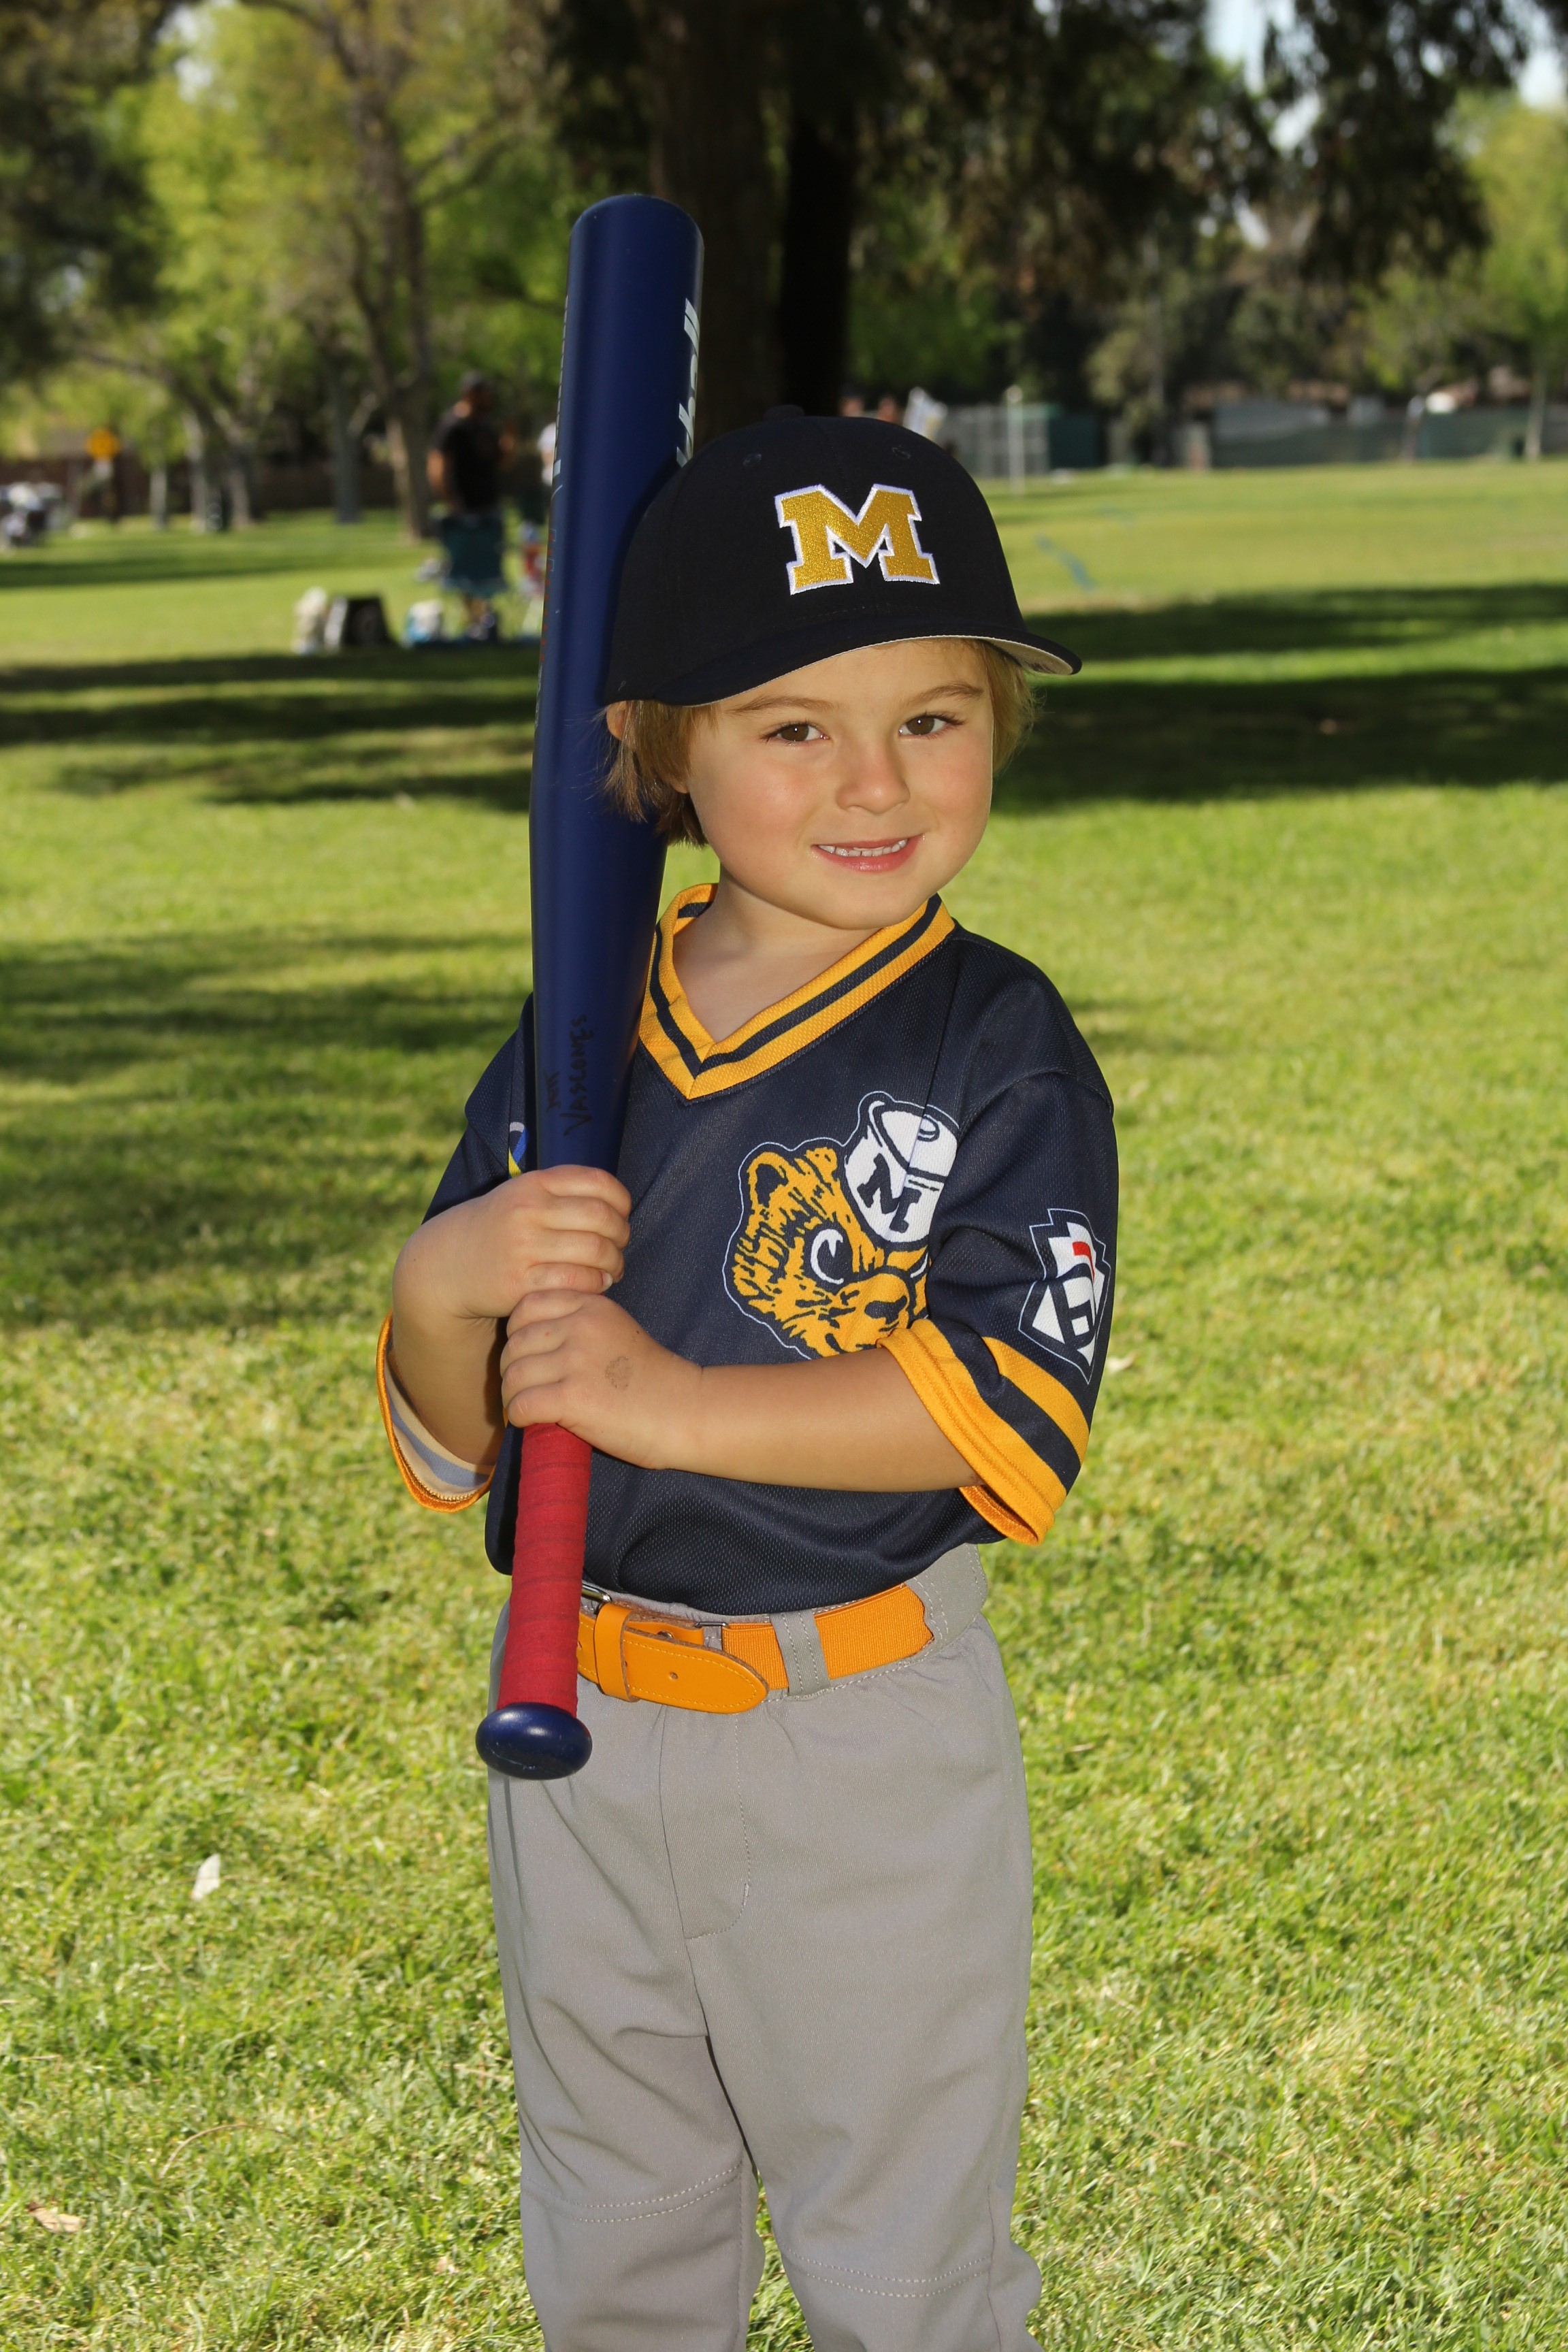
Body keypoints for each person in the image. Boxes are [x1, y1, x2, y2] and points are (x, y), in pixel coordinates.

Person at [380, 412, 1117, 2351]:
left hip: (853, 1738)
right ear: (664, 751)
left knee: (901, 2263)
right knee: (617, 2237)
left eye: (933, 716)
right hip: (578, 1715)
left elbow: (990, 1406)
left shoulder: (994, 1043)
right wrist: (442, 1279)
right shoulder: (584, 1021)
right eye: (795, 725)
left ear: (995, 726)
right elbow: (457, 1433)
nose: (875, 780)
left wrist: (664, 1403)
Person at [428, 371, 511, 634]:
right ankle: (474, 619)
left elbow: (503, 462)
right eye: (485, 394)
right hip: (463, 511)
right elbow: (438, 465)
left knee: (487, 566)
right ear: (471, 395)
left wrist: (511, 436)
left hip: (488, 509)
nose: (490, 399)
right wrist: (450, 501)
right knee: (465, 568)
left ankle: (486, 620)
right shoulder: (453, 426)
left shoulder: (486, 426)